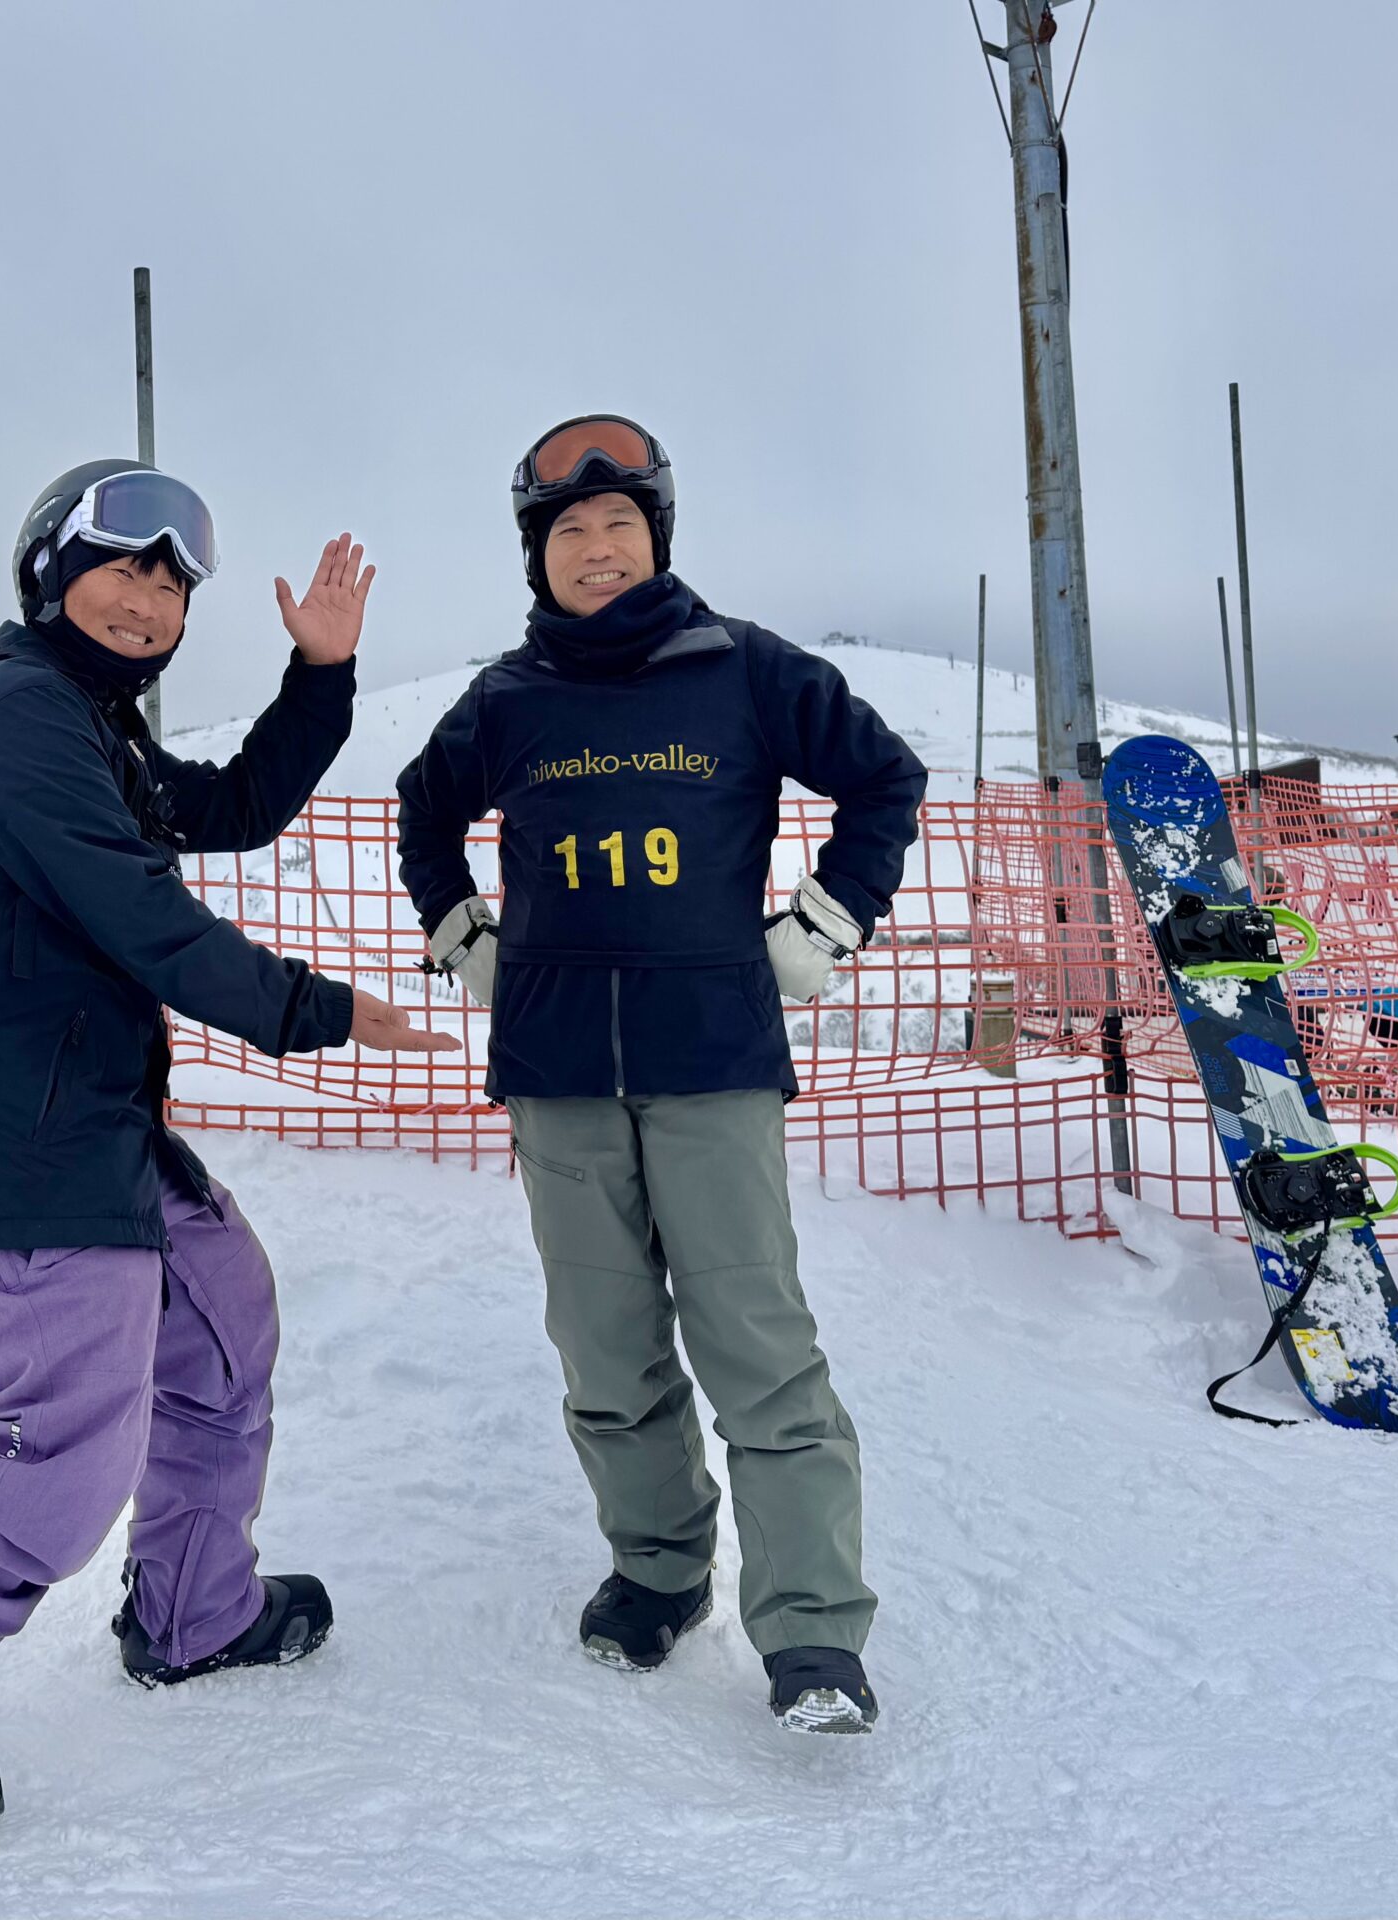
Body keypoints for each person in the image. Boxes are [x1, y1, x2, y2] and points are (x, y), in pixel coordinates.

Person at [0, 460, 456, 1851]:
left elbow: (236, 806)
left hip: (81, 1118)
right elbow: (147, 920)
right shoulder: (15, 722)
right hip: (4, 1142)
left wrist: (321, 674)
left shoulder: (88, 723)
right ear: (49, 574)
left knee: (219, 1326)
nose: (148, 601)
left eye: (170, 583)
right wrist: (321, 1010)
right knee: (68, 1445)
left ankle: (193, 1613)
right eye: (121, 569)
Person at [395, 415, 926, 1735]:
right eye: (570, 530)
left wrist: (825, 925)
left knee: (758, 1347)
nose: (597, 547)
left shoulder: (743, 669)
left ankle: (812, 1631)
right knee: (606, 1351)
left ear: (658, 537)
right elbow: (423, 809)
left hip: (713, 1064)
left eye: (619, 524)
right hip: (558, 1070)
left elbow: (884, 779)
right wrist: (463, 935)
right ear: (538, 555)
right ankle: (658, 1570)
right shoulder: (509, 698)